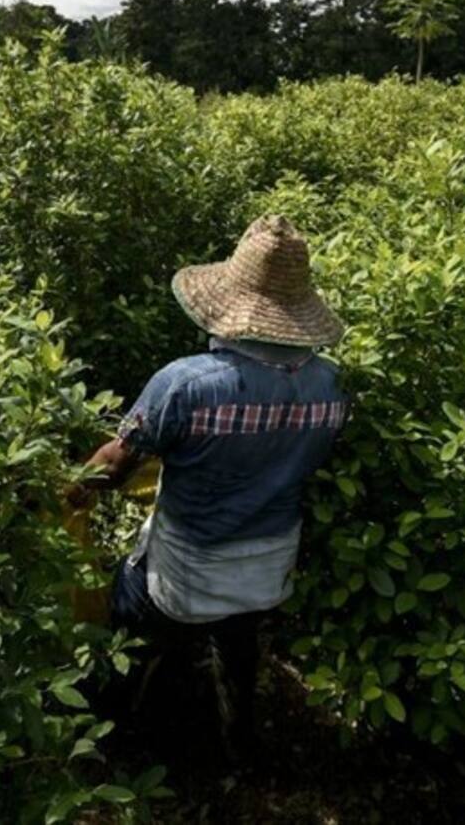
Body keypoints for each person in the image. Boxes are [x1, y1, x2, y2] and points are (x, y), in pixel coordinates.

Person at [69, 214, 350, 748]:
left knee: (130, 617)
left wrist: (75, 486)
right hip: (268, 570)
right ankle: (237, 737)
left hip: (184, 575)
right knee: (239, 640)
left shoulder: (187, 384)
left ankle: (109, 731)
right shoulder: (331, 385)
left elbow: (116, 465)